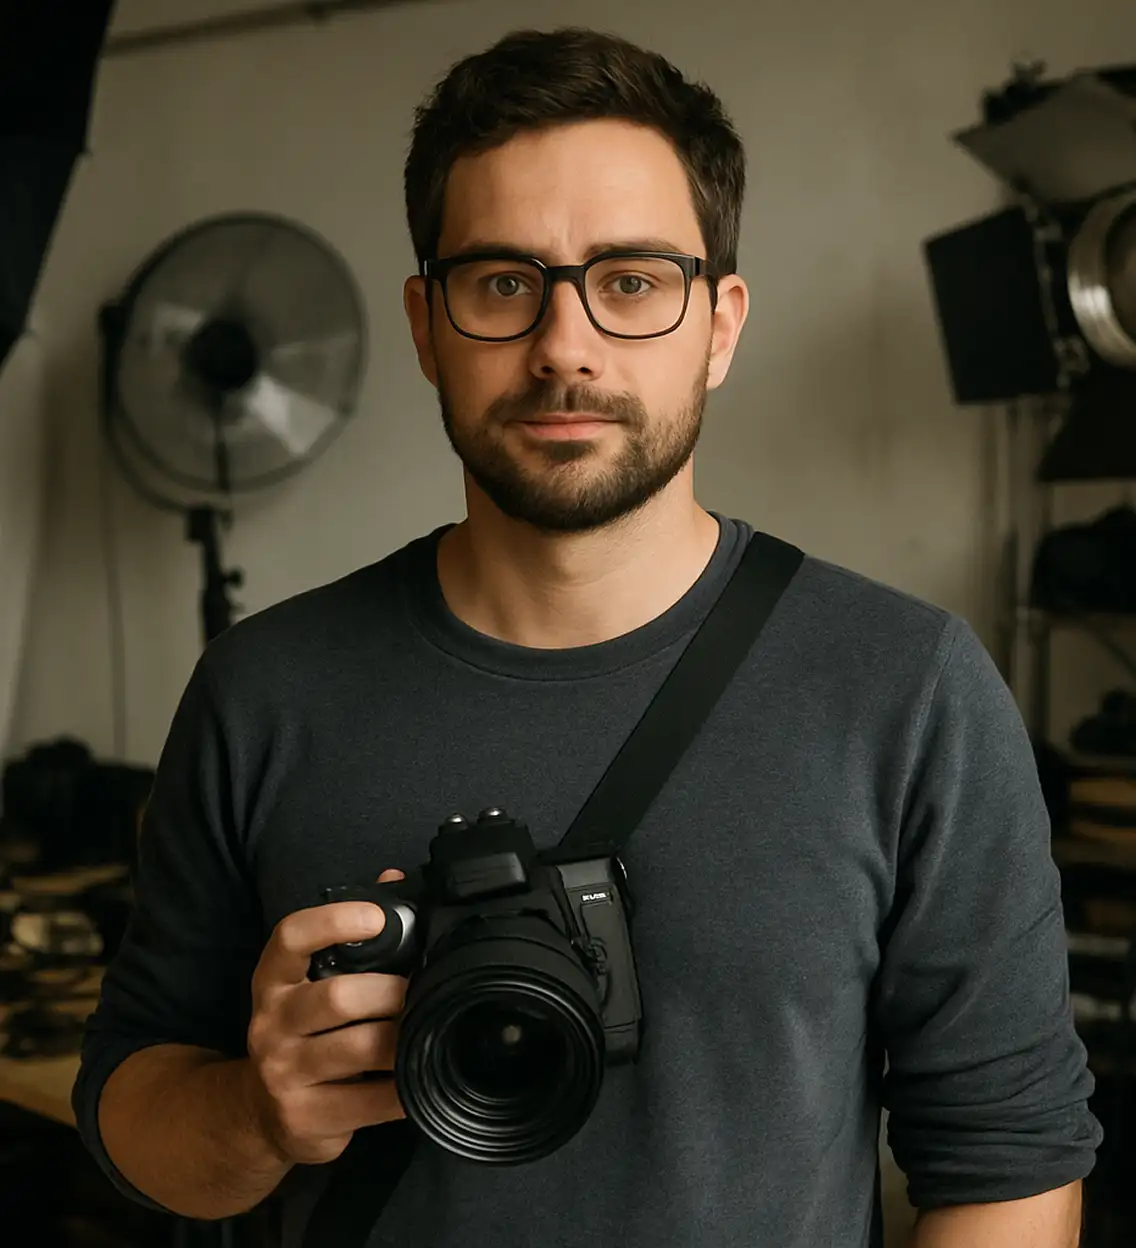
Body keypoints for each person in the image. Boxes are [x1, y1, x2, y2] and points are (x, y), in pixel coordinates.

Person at [73, 26, 1102, 1248]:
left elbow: (1006, 1166)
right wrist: (253, 1112)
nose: (564, 346)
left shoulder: (904, 690)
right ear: (424, 325)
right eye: (503, 282)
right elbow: (130, 1115)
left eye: (629, 281)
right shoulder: (264, 688)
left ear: (718, 324)